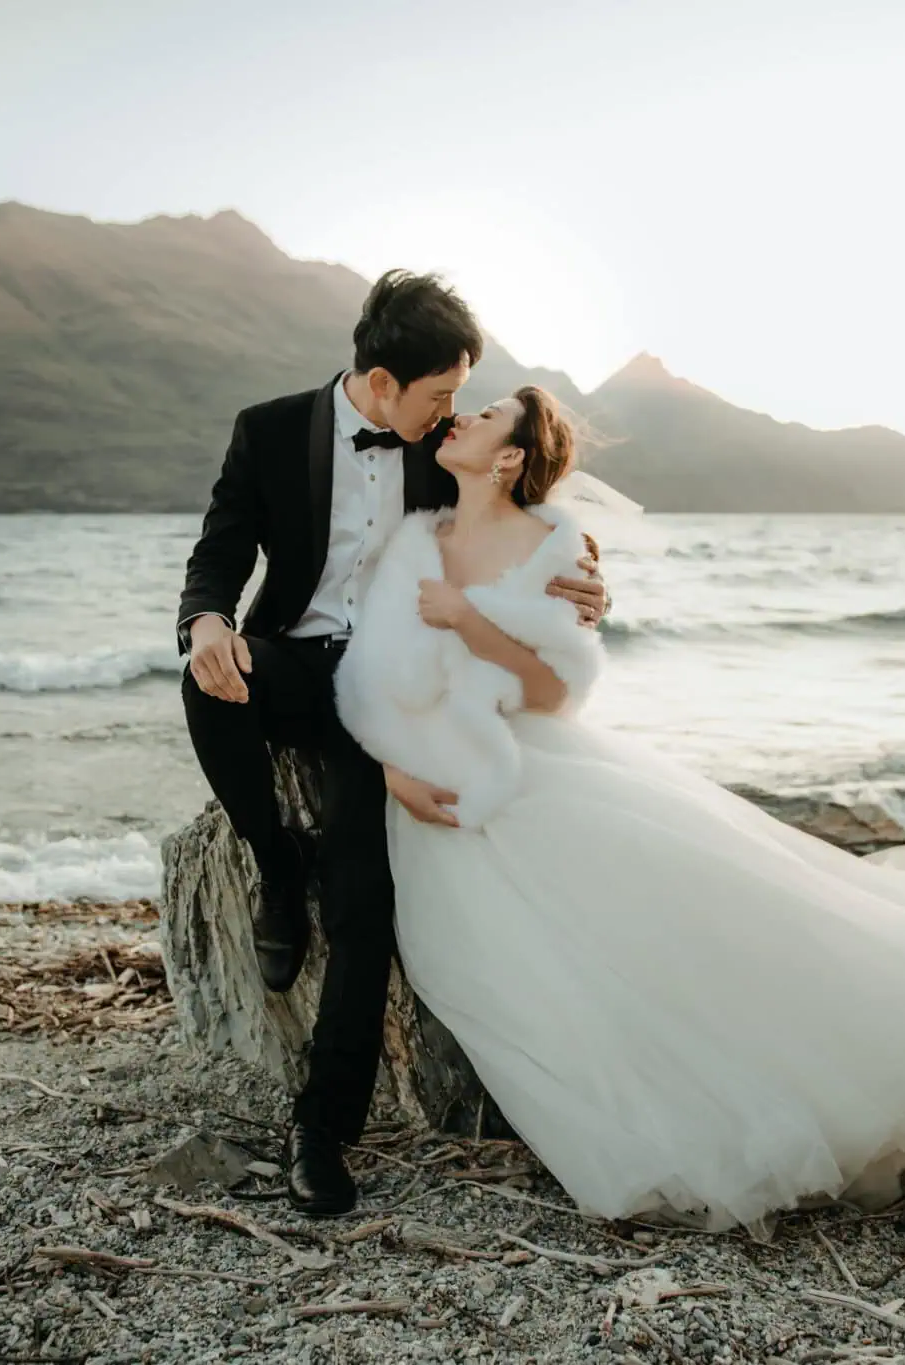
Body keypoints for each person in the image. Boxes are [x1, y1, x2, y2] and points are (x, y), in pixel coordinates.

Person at [333, 387, 905, 1231]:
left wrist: (469, 618)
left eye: (484, 417)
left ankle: (892, 1052)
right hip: (440, 794)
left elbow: (554, 693)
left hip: (543, 770)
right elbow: (368, 678)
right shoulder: (413, 540)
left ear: (510, 459)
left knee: (711, 918)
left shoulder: (552, 546)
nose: (463, 418)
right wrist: (391, 771)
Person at [176, 273, 607, 1217]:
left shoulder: (439, 452)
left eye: (461, 398)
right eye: (440, 396)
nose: (451, 414)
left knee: (364, 899)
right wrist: (208, 618)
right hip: (295, 661)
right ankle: (269, 857)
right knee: (208, 684)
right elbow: (222, 546)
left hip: (388, 687)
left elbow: (516, 524)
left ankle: (321, 1128)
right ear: (380, 381)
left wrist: (580, 582)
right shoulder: (270, 429)